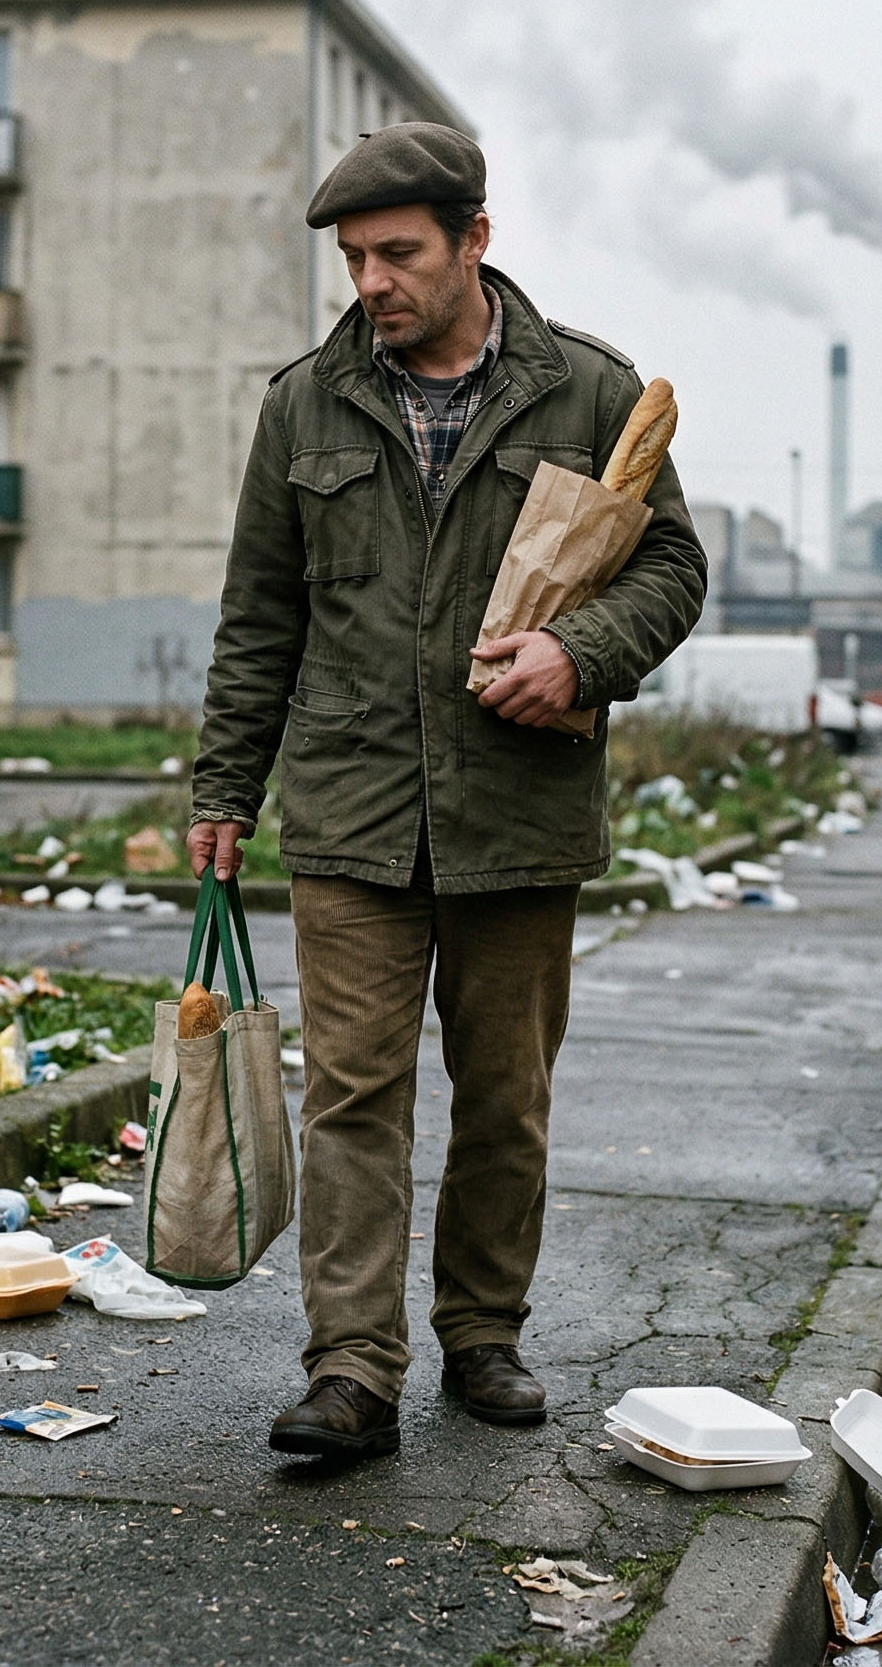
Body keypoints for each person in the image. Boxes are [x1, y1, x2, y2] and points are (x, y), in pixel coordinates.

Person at [186, 122, 707, 1462]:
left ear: (476, 239)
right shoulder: (305, 403)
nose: (372, 281)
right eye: (354, 258)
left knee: (503, 1096)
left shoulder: (586, 392)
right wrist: (223, 789)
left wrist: (577, 653)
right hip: (352, 814)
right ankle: (353, 1368)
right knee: (350, 1097)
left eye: (398, 253)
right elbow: (260, 619)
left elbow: (672, 571)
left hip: (517, 814)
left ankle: (483, 1332)